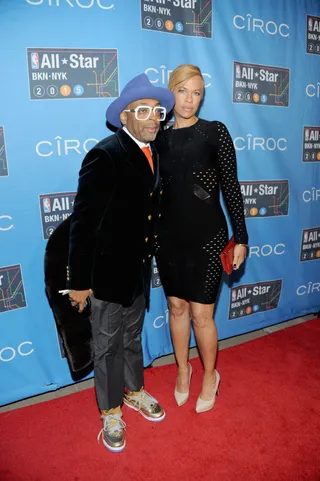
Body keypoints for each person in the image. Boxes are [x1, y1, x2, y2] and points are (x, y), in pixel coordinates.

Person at [67, 73, 175, 452]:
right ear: (123, 117)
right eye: (141, 110)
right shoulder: (105, 154)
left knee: (131, 337)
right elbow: (83, 223)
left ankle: (134, 390)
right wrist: (80, 281)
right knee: (108, 345)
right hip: (107, 275)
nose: (152, 117)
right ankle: (111, 409)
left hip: (138, 272)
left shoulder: (154, 151)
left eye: (157, 111)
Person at [154, 64, 248, 413]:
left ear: (203, 96)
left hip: (208, 237)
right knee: (176, 307)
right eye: (183, 91)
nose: (189, 99)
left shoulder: (214, 132)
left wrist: (241, 238)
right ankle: (183, 369)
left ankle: (210, 375)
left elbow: (232, 189)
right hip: (168, 237)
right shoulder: (158, 136)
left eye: (197, 92)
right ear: (171, 91)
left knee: (201, 315)